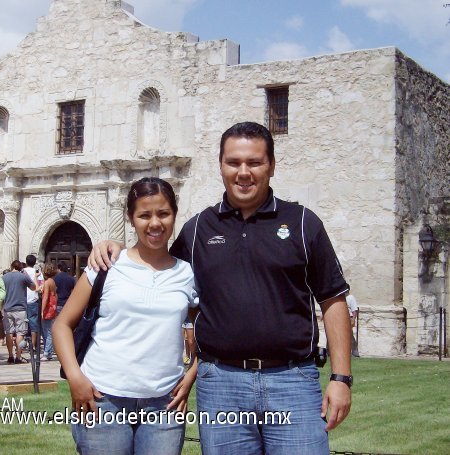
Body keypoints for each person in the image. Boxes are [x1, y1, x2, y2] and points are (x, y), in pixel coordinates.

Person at [89, 122, 353, 455]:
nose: (244, 172)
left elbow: (333, 299)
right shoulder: (198, 229)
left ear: (271, 165)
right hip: (221, 384)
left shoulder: (302, 223)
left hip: (292, 382)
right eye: (234, 162)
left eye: (254, 162)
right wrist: (115, 244)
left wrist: (341, 378)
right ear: (220, 166)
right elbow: (157, 266)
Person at [54, 177, 198, 455]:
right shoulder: (107, 265)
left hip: (164, 403)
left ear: (174, 215)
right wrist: (75, 377)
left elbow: (208, 327)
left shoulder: (187, 273)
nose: (155, 223)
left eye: (163, 213)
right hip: (103, 397)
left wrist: (191, 374)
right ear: (131, 219)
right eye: (144, 215)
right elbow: (62, 324)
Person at [2, 260, 36, 364]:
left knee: (9, 332)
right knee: (20, 332)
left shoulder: (4, 277)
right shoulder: (23, 276)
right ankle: (18, 355)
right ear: (21, 267)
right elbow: (34, 287)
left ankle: (10, 355)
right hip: (20, 308)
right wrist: (27, 276)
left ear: (11, 266)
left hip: (7, 308)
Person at [23, 254, 43, 350]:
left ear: (26, 262)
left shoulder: (22, 272)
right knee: (33, 322)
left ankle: (21, 345)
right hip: (33, 300)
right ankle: (34, 345)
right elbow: (40, 286)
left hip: (22, 300)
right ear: (35, 262)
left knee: (22, 323)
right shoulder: (37, 273)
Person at [40, 262, 57, 361]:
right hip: (52, 307)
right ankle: (49, 351)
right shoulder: (52, 281)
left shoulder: (47, 282)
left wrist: (42, 310)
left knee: (47, 331)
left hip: (48, 308)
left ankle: (46, 352)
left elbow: (45, 297)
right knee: (47, 330)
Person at [346, 293, 360, 357]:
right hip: (340, 318)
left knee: (349, 335)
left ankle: (354, 351)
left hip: (348, 318)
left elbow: (354, 310)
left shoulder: (350, 297)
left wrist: (353, 319)